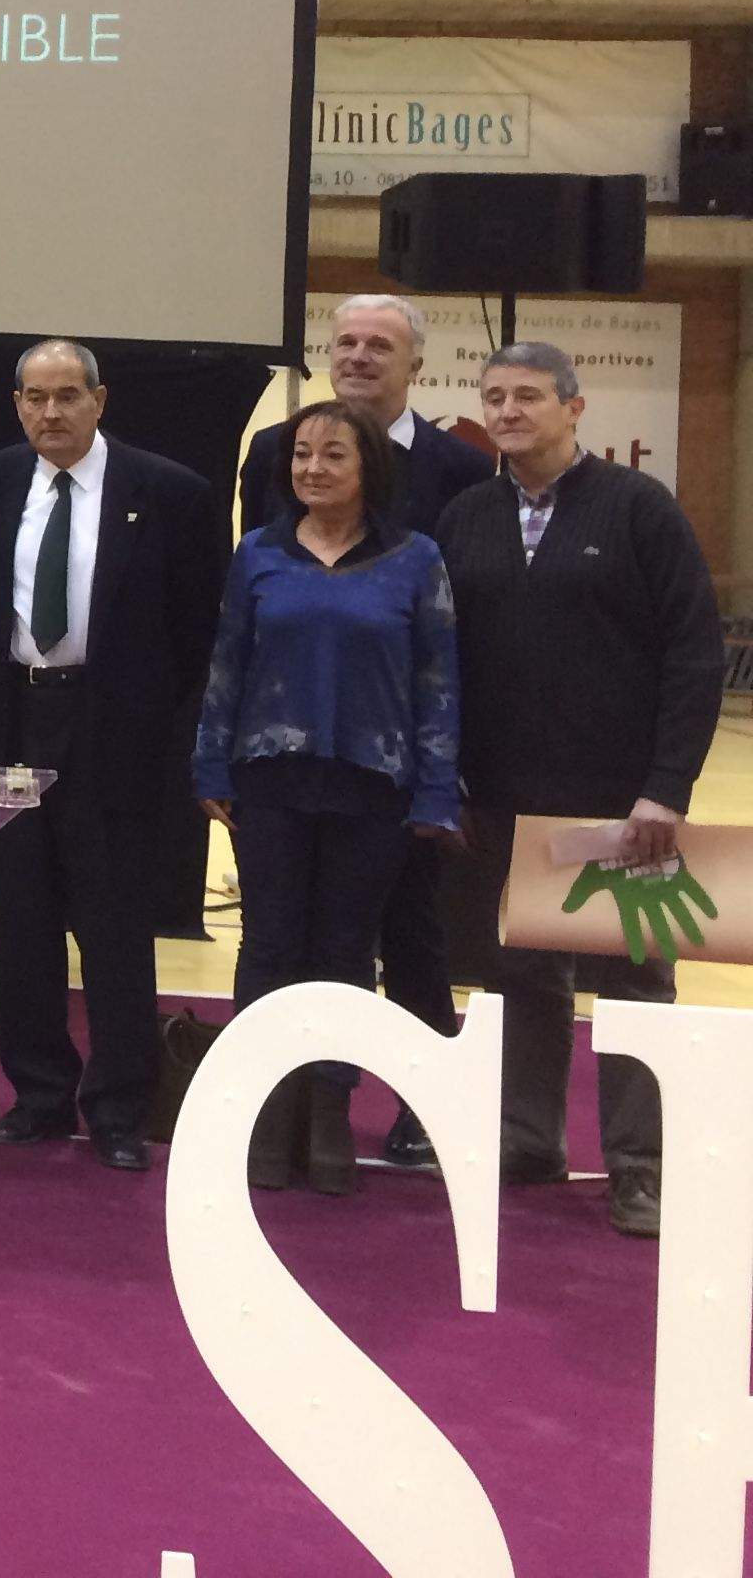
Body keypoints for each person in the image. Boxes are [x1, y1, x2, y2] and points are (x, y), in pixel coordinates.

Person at [437, 343, 721, 1241]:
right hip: (504, 799)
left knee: (637, 981)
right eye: (495, 397)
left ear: (574, 407)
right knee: (522, 974)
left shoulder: (640, 510)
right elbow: (440, 657)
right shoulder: (466, 517)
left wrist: (665, 791)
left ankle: (641, 1169)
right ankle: (529, 1141)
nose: (510, 411)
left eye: (528, 396)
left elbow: (693, 653)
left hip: (622, 805)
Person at [234, 291, 494, 1167]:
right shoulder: (272, 457)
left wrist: (438, 767)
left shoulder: (459, 469)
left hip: (389, 756)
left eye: (378, 343)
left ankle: (418, 1107)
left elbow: (451, 641)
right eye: (344, 341)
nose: (357, 355)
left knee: (408, 933)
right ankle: (274, 1113)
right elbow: (252, 623)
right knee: (278, 939)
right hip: (284, 755)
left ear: (414, 361)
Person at [0, 338, 224, 1174]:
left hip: (116, 733)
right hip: (13, 725)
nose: (51, 412)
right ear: (16, 405)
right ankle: (38, 1096)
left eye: (67, 395)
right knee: (22, 923)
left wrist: (171, 741)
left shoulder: (171, 493)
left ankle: (117, 1109)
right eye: (35, 397)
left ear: (100, 401)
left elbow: (198, 635)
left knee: (114, 932)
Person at [193, 400, 462, 1197]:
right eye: (302, 455)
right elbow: (226, 667)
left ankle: (328, 1111)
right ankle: (265, 1109)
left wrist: (438, 790)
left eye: (332, 455)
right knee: (269, 944)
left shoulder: (417, 559)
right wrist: (209, 769)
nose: (312, 468)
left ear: (368, 468)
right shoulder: (258, 554)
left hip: (374, 786)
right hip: (268, 782)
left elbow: (439, 685)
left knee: (347, 951)